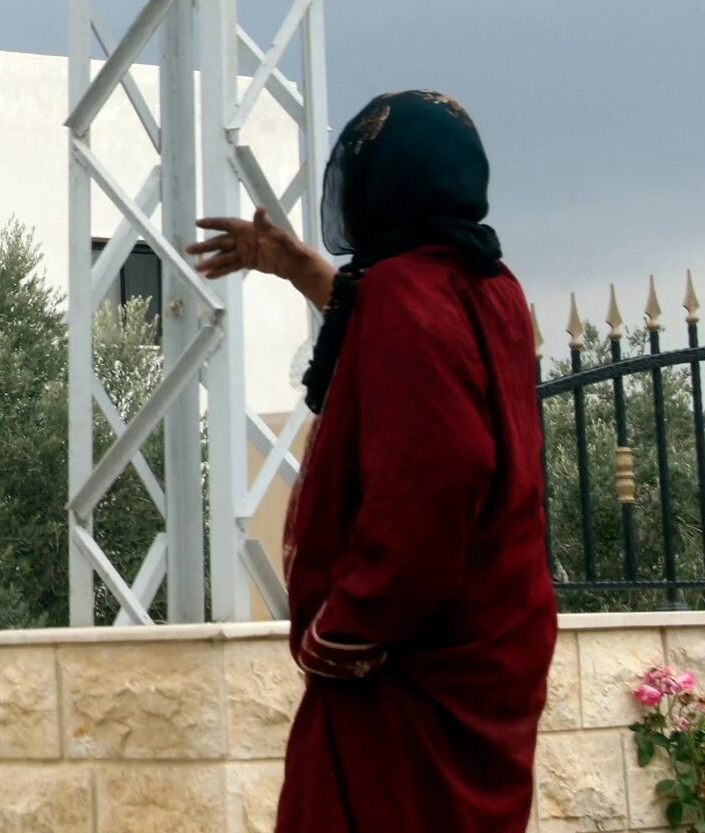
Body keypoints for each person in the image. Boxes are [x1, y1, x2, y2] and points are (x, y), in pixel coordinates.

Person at [186, 91, 557, 832]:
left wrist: (348, 627)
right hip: (486, 649)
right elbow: (405, 342)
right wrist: (302, 269)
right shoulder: (491, 286)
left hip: (408, 672)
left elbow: (443, 471)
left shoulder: (403, 291)